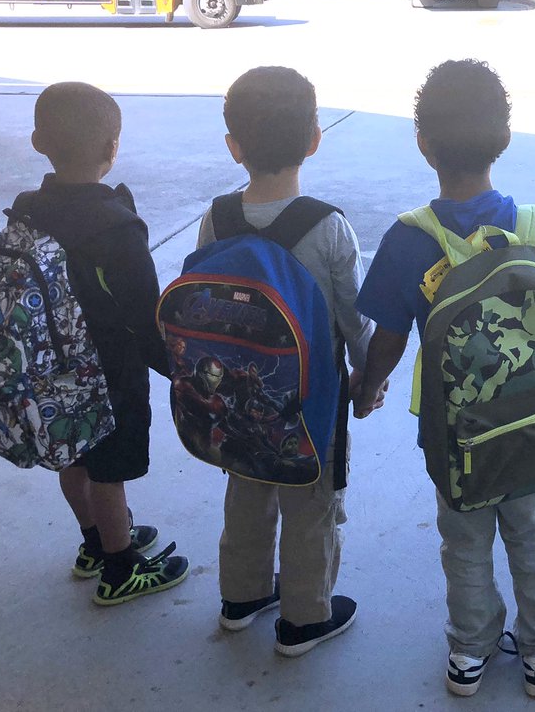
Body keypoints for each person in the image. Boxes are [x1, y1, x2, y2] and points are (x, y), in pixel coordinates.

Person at [351, 59, 535, 699]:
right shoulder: (534, 226)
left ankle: (470, 650)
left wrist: (368, 386)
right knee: (532, 532)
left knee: (464, 537)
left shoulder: (407, 239)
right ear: (504, 140)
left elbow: (390, 336)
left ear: (423, 144)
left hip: (453, 431)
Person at [196, 66, 380, 654]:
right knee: (312, 504)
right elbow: (354, 316)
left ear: (234, 147)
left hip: (236, 396)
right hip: (311, 400)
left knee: (247, 488)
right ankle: (305, 618)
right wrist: (367, 379)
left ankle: (242, 594)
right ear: (314, 139)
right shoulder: (328, 226)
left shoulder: (216, 217)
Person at [11, 82, 188, 605]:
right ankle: (119, 566)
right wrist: (176, 367)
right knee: (109, 470)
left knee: (73, 455)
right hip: (107, 369)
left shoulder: (26, 209)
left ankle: (93, 543)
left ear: (39, 141)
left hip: (47, 363)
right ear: (112, 149)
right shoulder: (116, 225)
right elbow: (145, 312)